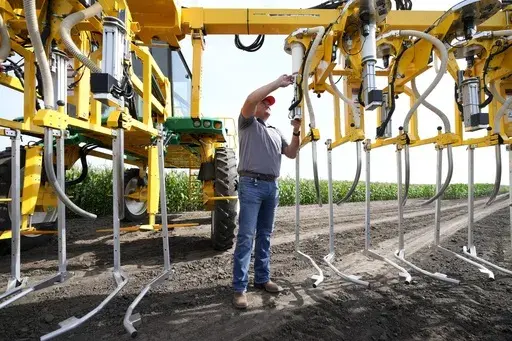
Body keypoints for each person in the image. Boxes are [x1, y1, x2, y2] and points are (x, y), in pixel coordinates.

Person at [232, 74, 301, 309]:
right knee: (245, 237)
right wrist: (277, 84)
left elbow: (291, 153)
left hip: (271, 187)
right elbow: (250, 99)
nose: (267, 105)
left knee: (265, 235)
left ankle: (262, 278)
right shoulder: (247, 123)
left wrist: (296, 131)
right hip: (250, 185)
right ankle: (239, 288)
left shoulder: (274, 130)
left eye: (270, 103)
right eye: (265, 102)